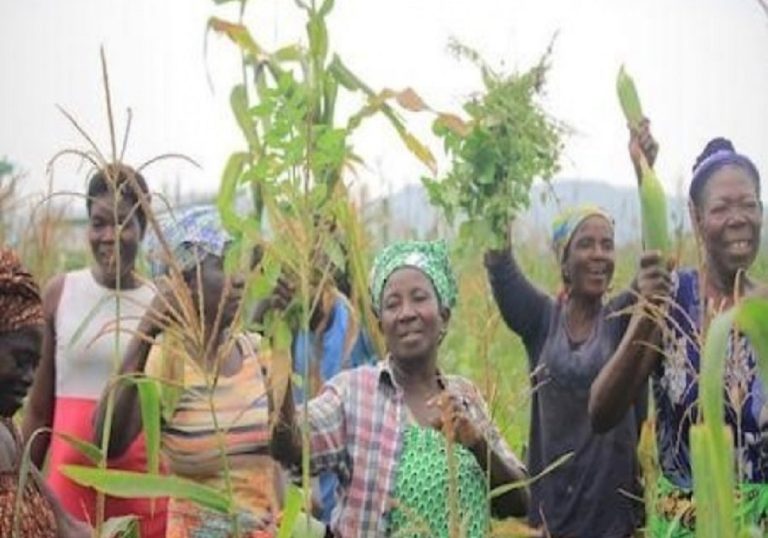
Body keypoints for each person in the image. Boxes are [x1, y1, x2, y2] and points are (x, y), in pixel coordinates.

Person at [271, 240, 529, 537]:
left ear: (444, 316)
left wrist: (477, 444)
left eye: (419, 298)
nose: (407, 313)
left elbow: (519, 501)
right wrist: (278, 352)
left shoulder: (465, 396)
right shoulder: (354, 393)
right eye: (392, 304)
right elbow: (290, 445)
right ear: (381, 325)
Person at [589, 128, 766, 536]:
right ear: (697, 218)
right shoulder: (672, 300)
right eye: (721, 208)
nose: (738, 218)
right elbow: (601, 412)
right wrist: (650, 310)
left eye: (749, 205)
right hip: (685, 524)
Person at [95, 205, 282, 537]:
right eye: (223, 265)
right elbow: (106, 444)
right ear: (184, 282)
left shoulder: (258, 353)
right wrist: (146, 332)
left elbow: (273, 460)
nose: (239, 279)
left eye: (237, 265)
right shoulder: (168, 363)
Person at [483, 201, 662, 536]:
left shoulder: (623, 317)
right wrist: (495, 188)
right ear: (564, 260)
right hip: (552, 518)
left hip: (614, 520)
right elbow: (501, 267)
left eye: (607, 245)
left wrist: (643, 174)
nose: (599, 254)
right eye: (585, 244)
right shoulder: (541, 320)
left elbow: (656, 264)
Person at [22, 164, 167, 536]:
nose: (110, 236)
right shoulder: (60, 293)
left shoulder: (159, 306)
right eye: (99, 223)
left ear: (143, 229)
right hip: (69, 500)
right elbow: (39, 411)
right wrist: (20, 494)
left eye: (124, 224)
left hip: (143, 502)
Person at [0, 247, 90, 537]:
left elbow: (68, 527)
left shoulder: (7, 433)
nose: (29, 377)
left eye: (35, 364)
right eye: (21, 359)